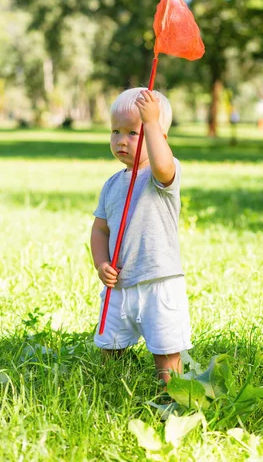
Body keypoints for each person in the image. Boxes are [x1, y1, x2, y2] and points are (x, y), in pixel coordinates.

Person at [91, 87, 192, 384]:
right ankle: (113, 386)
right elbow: (100, 229)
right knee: (111, 345)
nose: (122, 140)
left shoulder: (160, 175)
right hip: (120, 284)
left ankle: (170, 394)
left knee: (166, 350)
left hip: (158, 280)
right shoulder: (111, 184)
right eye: (115, 131)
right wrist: (100, 263)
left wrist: (151, 123)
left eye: (133, 133)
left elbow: (162, 164)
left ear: (159, 136)